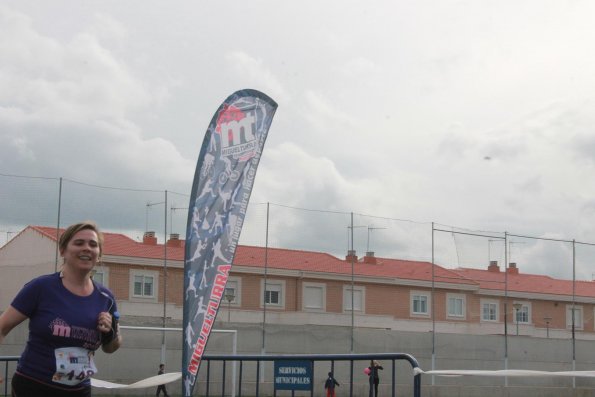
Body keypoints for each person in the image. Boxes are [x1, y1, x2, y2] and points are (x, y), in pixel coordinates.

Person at [0, 221, 122, 396]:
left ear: (99, 254)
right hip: (33, 386)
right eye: (79, 243)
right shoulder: (41, 287)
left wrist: (111, 333)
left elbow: (110, 347)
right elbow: (2, 327)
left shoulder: (106, 298)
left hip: (79, 390)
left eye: (93, 244)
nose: (87, 248)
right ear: (63, 251)